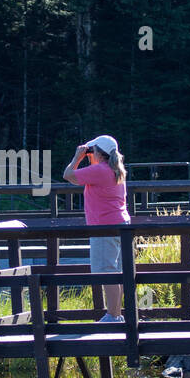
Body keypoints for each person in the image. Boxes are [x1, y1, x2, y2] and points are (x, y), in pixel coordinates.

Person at [62, 135, 129, 322]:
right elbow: (80, 178)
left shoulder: (100, 170)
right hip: (119, 225)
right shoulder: (115, 170)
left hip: (104, 227)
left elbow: (68, 175)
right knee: (115, 271)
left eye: (92, 151)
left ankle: (113, 315)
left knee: (105, 270)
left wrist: (77, 158)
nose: (89, 154)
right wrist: (89, 156)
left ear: (99, 152)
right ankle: (116, 315)